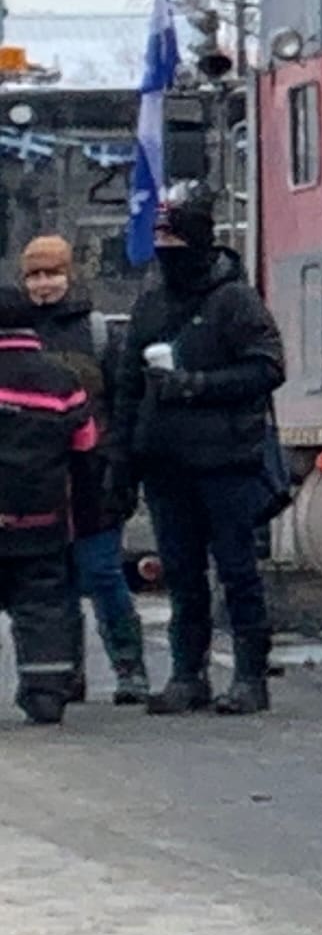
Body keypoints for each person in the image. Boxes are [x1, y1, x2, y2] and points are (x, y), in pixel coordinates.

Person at [106, 195, 289, 717]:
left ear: (200, 243)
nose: (167, 252)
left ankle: (251, 676)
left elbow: (267, 370)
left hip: (227, 460)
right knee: (181, 573)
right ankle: (188, 675)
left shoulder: (235, 301)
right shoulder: (150, 305)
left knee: (237, 570)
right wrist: (122, 463)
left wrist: (196, 386)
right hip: (165, 462)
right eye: (159, 242)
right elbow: (127, 389)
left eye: (176, 241)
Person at [20, 234, 151, 704]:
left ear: (69, 275)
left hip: (94, 478)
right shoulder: (17, 335)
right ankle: (66, 672)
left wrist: (119, 467)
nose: (44, 284)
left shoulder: (98, 333)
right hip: (40, 482)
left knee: (102, 574)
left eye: (52, 273)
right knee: (57, 582)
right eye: (35, 275)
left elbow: (121, 403)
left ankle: (129, 668)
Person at [1, 290, 108, 724]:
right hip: (41, 522)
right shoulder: (61, 380)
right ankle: (45, 693)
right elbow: (86, 453)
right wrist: (86, 519)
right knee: (43, 607)